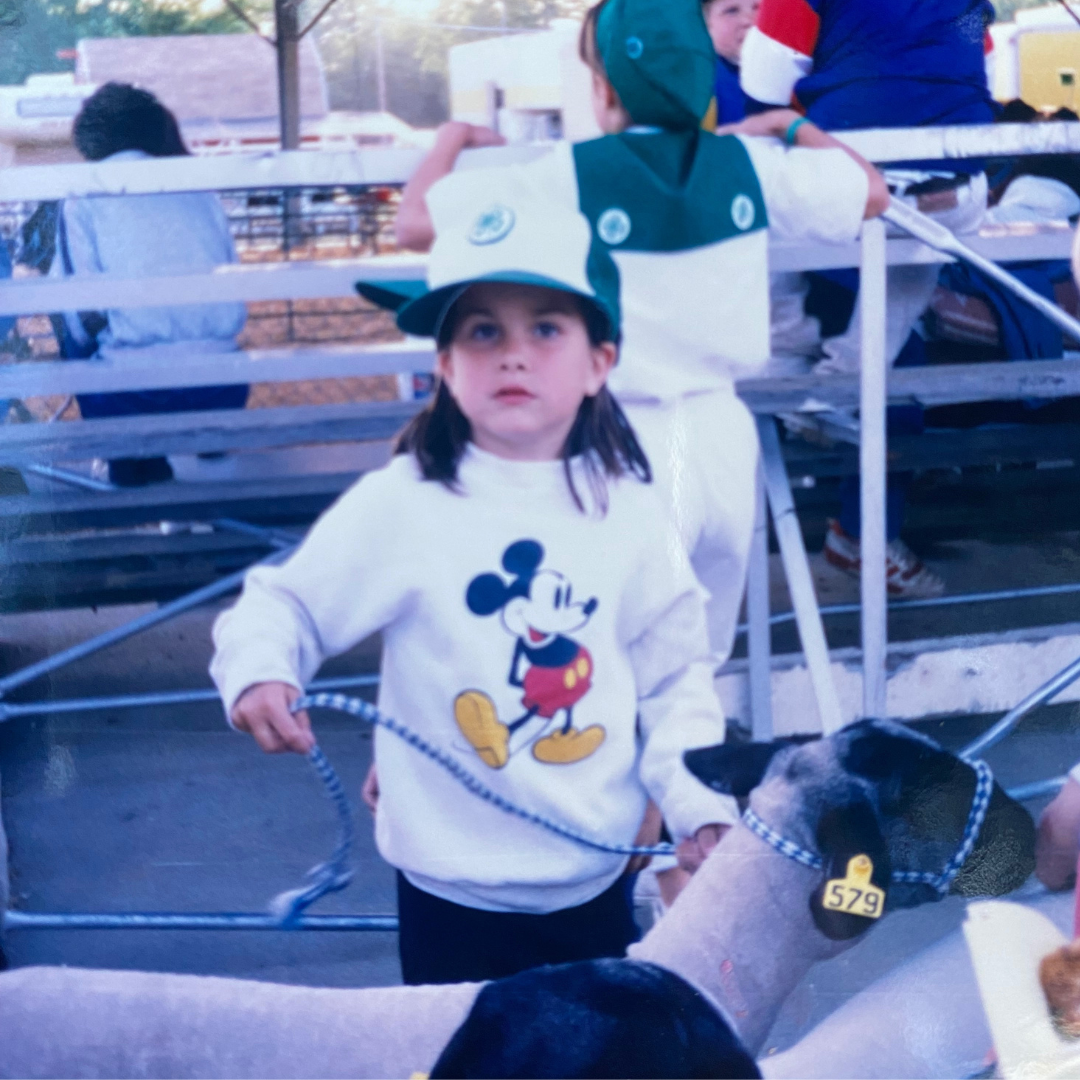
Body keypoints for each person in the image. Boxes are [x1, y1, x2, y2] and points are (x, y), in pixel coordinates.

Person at [211, 184, 740, 986]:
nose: (513, 354)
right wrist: (260, 665)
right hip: (446, 892)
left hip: (590, 878)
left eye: (546, 327)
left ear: (600, 362)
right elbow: (289, 603)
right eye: (483, 329)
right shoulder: (402, 504)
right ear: (445, 364)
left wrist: (696, 802)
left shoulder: (635, 515)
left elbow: (675, 682)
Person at [395, 0, 889, 681]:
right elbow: (872, 193)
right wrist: (792, 125)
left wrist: (449, 141)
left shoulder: (570, 174)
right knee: (694, 674)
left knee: (607, 671)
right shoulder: (747, 163)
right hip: (721, 436)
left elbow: (416, 225)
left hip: (622, 439)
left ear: (604, 90)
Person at [56, 83, 247, 487]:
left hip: (135, 391)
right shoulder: (197, 188)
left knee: (71, 328)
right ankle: (205, 461)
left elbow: (79, 308)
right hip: (222, 383)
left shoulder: (83, 194)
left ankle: (132, 466)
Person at [703, 0, 760, 125]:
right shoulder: (701, 83)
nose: (749, 20)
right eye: (731, 11)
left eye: (757, 7)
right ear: (705, 24)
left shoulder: (791, 73)